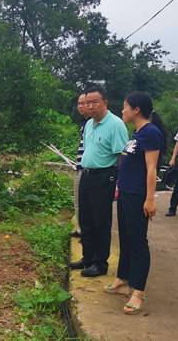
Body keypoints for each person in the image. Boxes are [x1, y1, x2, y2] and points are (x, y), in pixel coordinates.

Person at [104, 92, 167, 315]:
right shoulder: (138, 133)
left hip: (138, 196)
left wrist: (150, 199)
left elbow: (151, 169)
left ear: (136, 109)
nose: (122, 111)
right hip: (126, 194)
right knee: (126, 238)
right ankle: (123, 278)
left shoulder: (150, 133)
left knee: (138, 242)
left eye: (125, 107)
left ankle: (138, 292)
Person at [69, 87, 129, 277]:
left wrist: (118, 183)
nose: (90, 106)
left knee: (100, 221)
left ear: (105, 103)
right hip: (86, 175)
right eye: (87, 102)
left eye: (94, 102)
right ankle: (87, 257)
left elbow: (122, 155)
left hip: (104, 176)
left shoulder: (115, 124)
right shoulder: (88, 124)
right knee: (85, 219)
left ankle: (100, 263)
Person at [71, 93, 90, 238]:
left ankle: (84, 231)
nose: (81, 106)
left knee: (82, 202)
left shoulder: (92, 123)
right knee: (77, 201)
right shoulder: (84, 123)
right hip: (79, 167)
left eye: (84, 103)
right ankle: (80, 229)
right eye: (79, 103)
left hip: (86, 169)